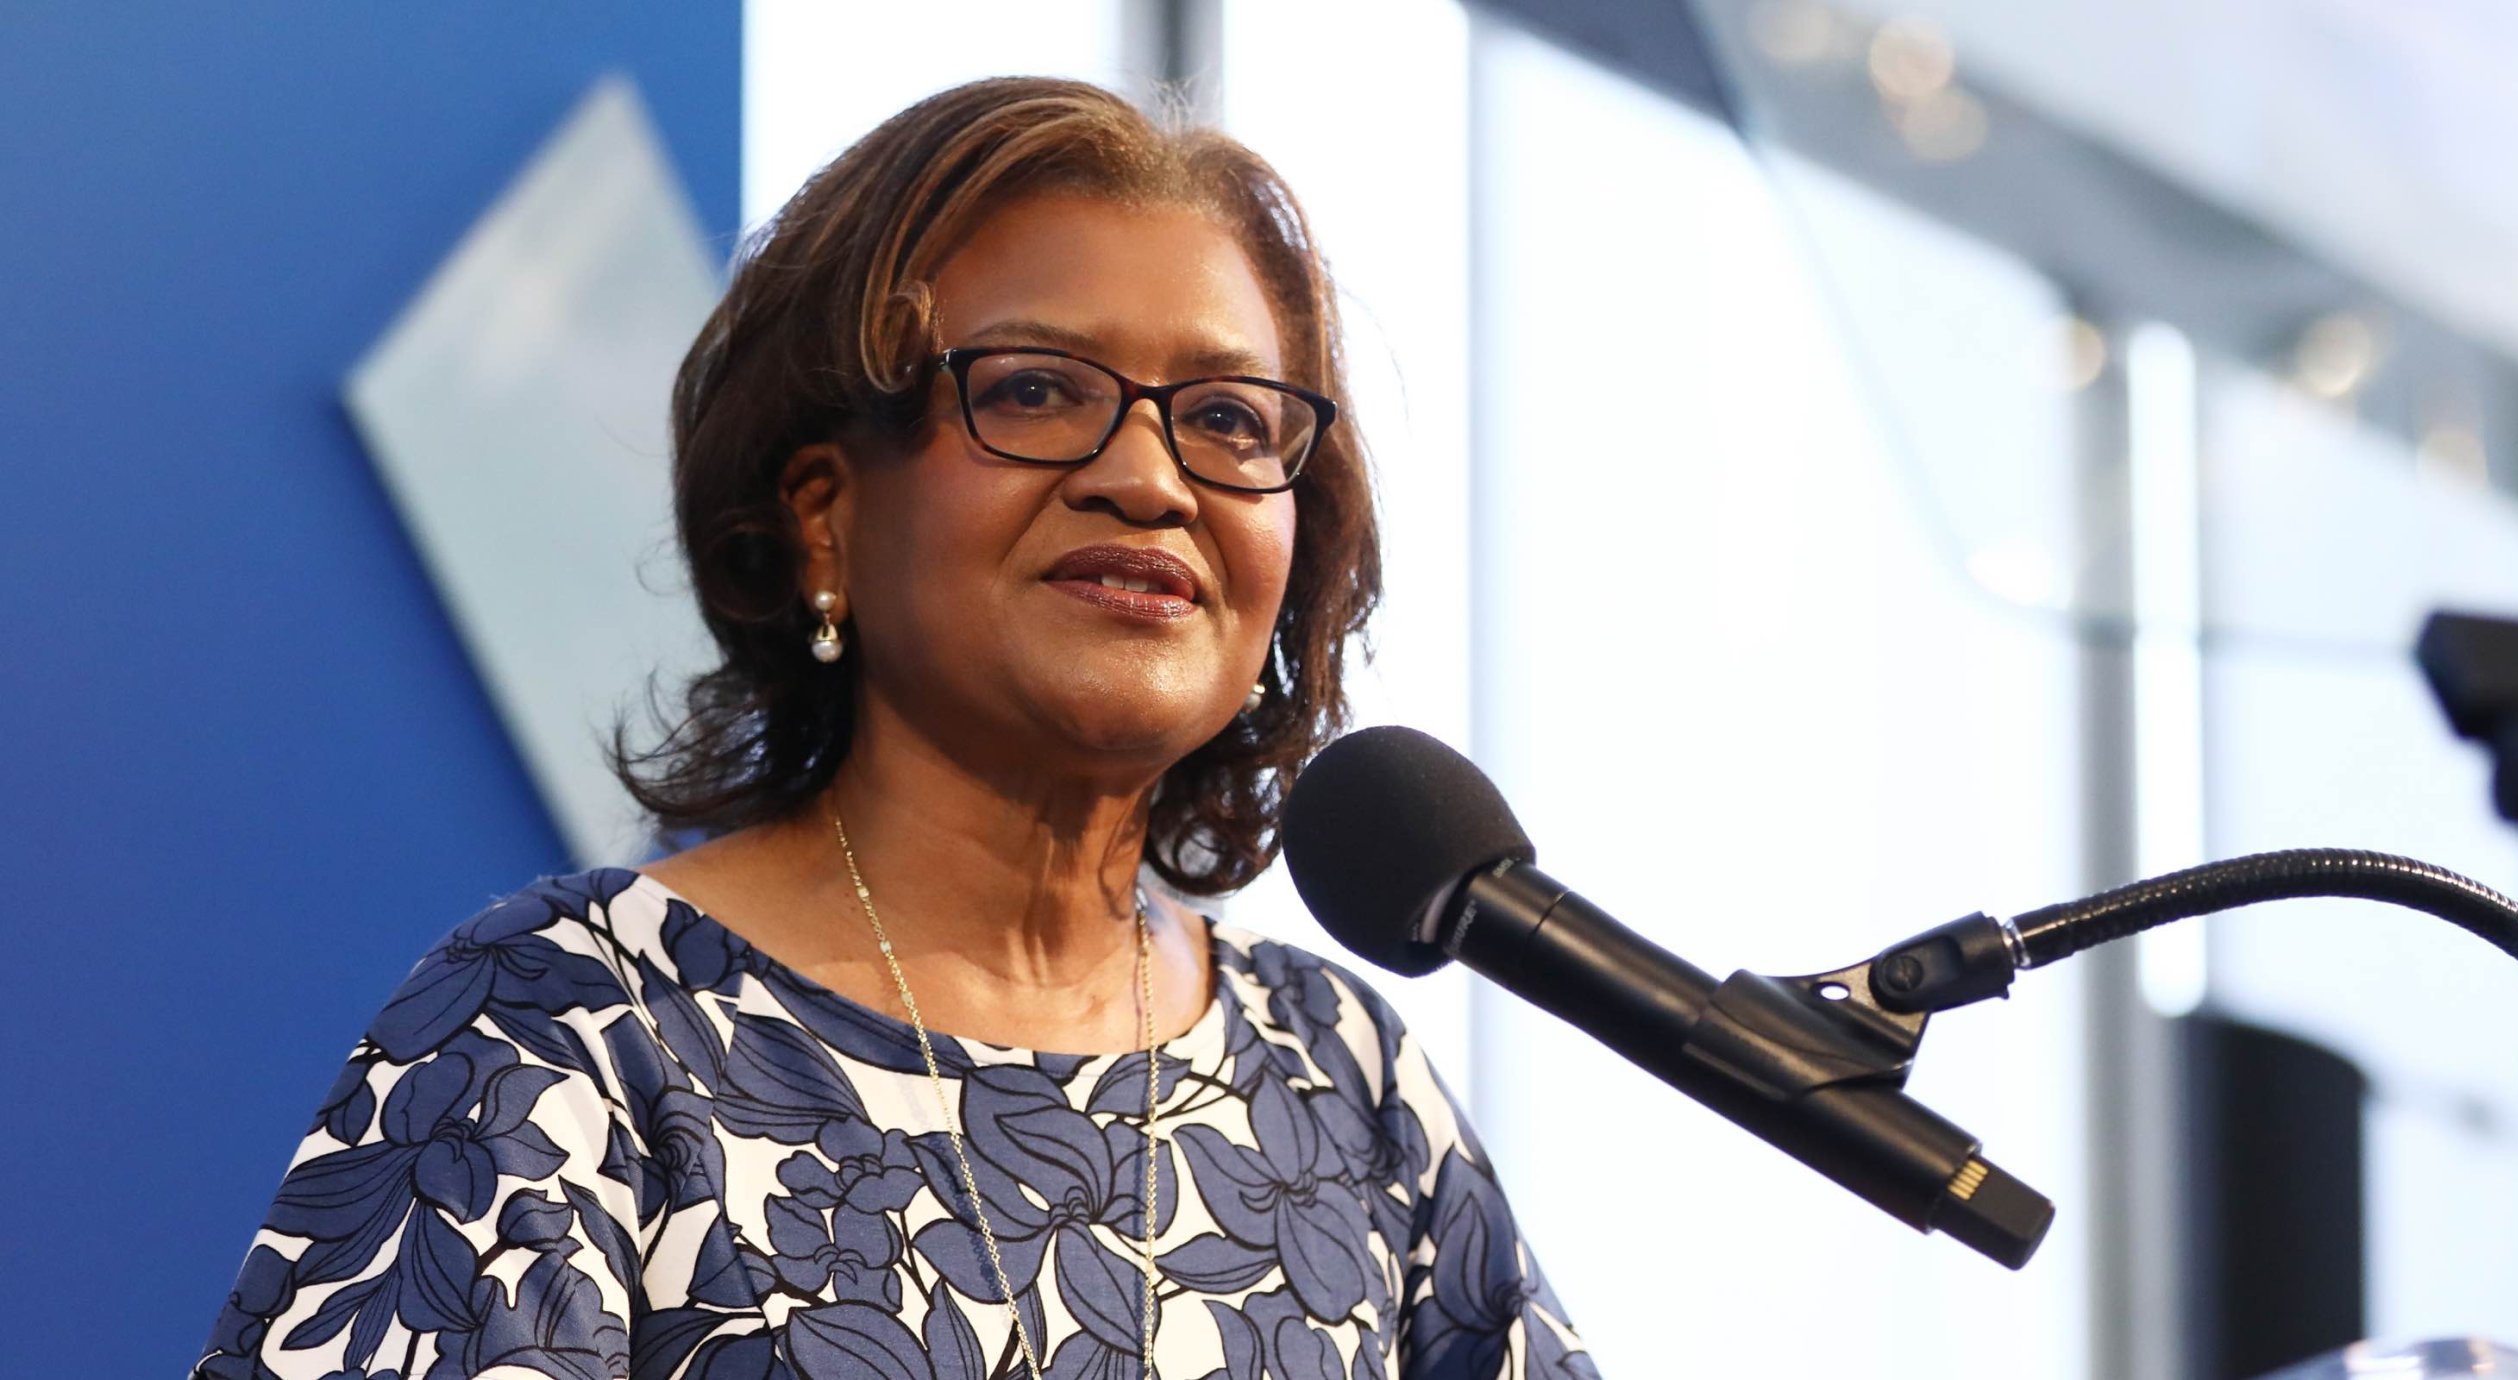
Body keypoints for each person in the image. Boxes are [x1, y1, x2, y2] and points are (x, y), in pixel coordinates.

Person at [193, 77, 1593, 1380]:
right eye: (1036, 389)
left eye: (1227, 417)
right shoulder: (579, 1033)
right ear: (825, 517)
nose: (1148, 476)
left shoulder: (1341, 1080)